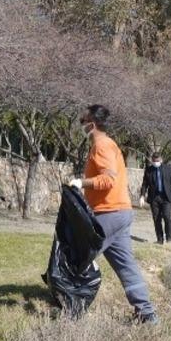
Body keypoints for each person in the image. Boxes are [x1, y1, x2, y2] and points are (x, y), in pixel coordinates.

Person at [67, 105, 158, 324]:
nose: (81, 124)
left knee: (77, 258)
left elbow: (108, 179)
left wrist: (81, 182)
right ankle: (146, 314)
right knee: (126, 265)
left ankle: (69, 308)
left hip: (108, 213)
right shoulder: (108, 144)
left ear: (92, 124)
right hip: (121, 212)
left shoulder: (101, 145)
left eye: (84, 120)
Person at [138, 152, 171, 244]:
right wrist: (142, 196)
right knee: (156, 219)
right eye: (154, 161)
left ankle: (169, 239)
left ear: (161, 160)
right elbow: (144, 185)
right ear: (152, 160)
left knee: (167, 217)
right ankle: (159, 239)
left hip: (166, 197)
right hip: (154, 198)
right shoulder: (148, 170)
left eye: (157, 161)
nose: (156, 162)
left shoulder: (168, 169)